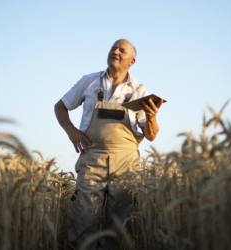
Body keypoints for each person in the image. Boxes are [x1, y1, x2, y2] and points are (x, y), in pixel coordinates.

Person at [54, 39, 162, 250]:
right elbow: (60, 107)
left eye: (122, 50)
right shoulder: (89, 81)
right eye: (113, 48)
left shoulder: (140, 90)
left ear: (132, 60)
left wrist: (151, 117)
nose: (116, 51)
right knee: (83, 221)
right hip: (92, 158)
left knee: (120, 227)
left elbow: (151, 136)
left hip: (126, 164)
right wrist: (71, 131)